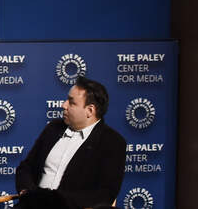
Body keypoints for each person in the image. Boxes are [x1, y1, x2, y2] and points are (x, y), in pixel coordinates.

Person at [14, 76, 126, 208]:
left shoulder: (112, 142)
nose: (64, 105)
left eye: (71, 103)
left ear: (90, 111)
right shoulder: (53, 128)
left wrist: (51, 200)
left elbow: (105, 194)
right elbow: (26, 167)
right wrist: (27, 192)